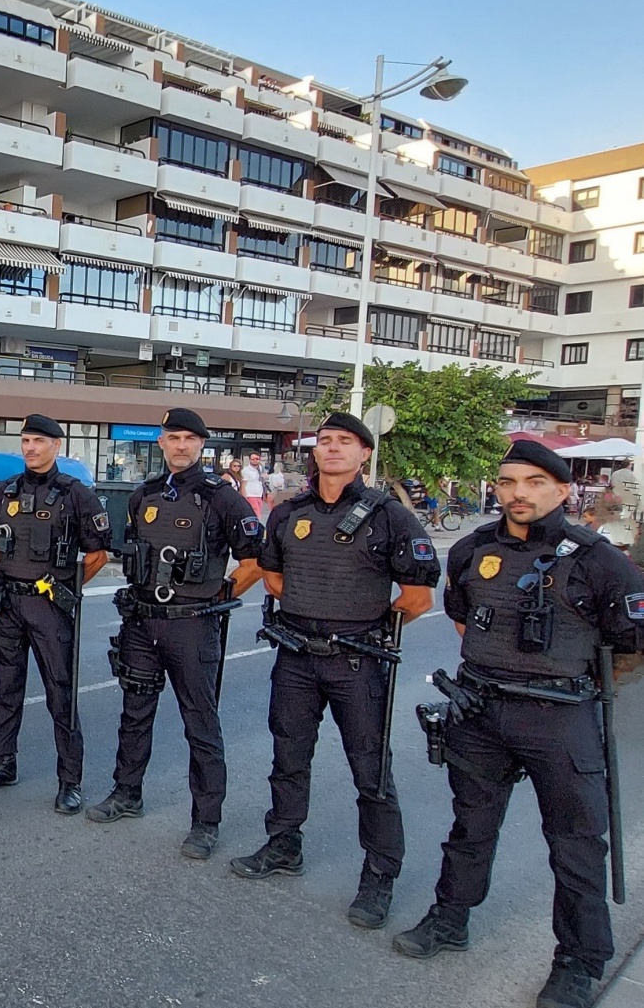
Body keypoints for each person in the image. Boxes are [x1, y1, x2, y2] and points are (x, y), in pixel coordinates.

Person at [392, 440, 643, 1008]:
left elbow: (629, 640)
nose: (518, 493)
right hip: (481, 710)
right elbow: (464, 622)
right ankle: (450, 918)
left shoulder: (599, 559)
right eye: (508, 482)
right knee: (470, 826)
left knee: (576, 843)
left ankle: (579, 961)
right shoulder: (473, 549)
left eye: (533, 482)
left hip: (559, 716)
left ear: (561, 489)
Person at [230, 412, 440, 930]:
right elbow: (272, 576)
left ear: (364, 454)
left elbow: (416, 597)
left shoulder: (390, 516)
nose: (333, 449)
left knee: (371, 772)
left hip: (357, 661)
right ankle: (284, 844)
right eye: (325, 441)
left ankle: (379, 877)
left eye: (345, 442)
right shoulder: (289, 512)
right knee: (288, 756)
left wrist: (359, 624)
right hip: (297, 654)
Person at [86, 408, 266, 858]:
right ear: (161, 442)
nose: (181, 445)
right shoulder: (143, 494)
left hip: (193, 626)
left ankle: (206, 822)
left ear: (202, 445)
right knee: (134, 713)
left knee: (200, 724)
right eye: (173, 437)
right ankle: (127, 793)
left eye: (189, 438)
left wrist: (217, 596)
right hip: (143, 622)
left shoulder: (221, 497)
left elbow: (256, 562)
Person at [0, 414, 110, 814]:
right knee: (7, 689)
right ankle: (4, 763)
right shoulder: (4, 491)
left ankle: (70, 780)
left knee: (60, 694)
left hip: (50, 607)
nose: (30, 447)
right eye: (26, 440)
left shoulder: (75, 494)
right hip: (10, 604)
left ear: (56, 447)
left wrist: (65, 589)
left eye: (39, 441)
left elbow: (98, 554)